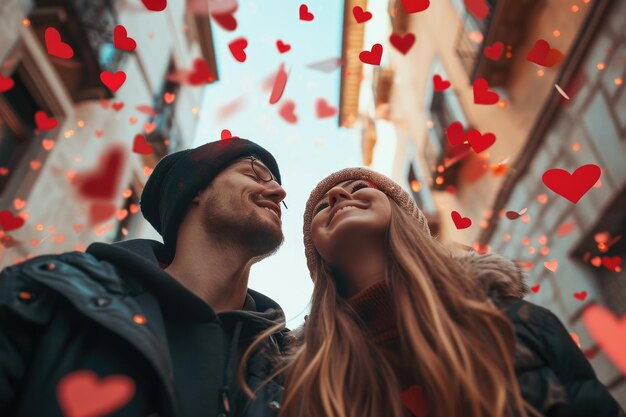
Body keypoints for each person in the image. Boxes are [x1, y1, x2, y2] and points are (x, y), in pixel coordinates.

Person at [265, 167, 624, 417]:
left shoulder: (517, 322)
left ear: (404, 217)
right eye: (322, 206)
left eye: (360, 187)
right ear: (319, 258)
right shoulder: (306, 380)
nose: (339, 194)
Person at [0, 138, 290, 417]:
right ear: (195, 190)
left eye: (275, 183)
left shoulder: (290, 363)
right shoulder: (47, 291)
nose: (279, 192)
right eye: (254, 175)